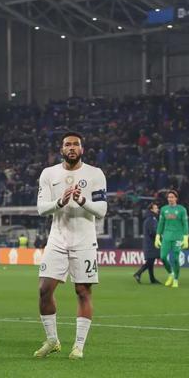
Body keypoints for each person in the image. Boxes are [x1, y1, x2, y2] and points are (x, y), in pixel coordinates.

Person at [34, 132, 107, 360]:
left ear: (82, 149)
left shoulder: (95, 174)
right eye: (68, 144)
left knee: (82, 291)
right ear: (62, 149)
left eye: (76, 144)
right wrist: (60, 202)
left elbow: (102, 210)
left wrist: (82, 200)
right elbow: (41, 208)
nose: (72, 148)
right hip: (57, 239)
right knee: (44, 289)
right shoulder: (49, 173)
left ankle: (78, 345)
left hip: (84, 241)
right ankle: (52, 340)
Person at [155, 190, 189, 288]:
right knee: (163, 257)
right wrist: (158, 236)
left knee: (175, 259)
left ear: (176, 198)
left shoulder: (182, 210)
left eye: (172, 197)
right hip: (166, 237)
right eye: (169, 197)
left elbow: (185, 224)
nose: (170, 199)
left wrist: (185, 238)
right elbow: (161, 224)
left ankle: (175, 280)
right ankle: (171, 273)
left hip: (177, 237)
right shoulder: (164, 209)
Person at [133, 203, 161, 284]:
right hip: (151, 244)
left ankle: (152, 279)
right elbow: (152, 232)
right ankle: (138, 273)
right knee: (150, 261)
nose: (157, 209)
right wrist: (159, 236)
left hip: (149, 243)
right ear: (151, 210)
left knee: (151, 261)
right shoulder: (151, 219)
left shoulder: (150, 218)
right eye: (156, 208)